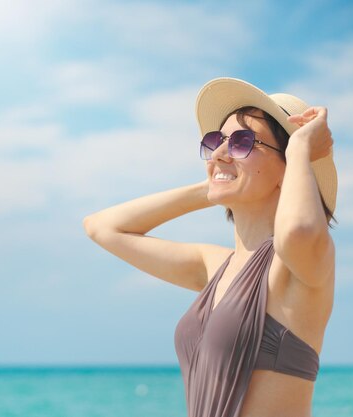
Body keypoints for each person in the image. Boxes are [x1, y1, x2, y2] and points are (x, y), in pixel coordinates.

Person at [83, 77, 338, 417]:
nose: (219, 152)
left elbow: (298, 230)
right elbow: (102, 227)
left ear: (288, 167)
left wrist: (301, 150)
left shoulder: (297, 262)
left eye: (243, 142)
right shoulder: (214, 265)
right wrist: (216, 181)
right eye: (217, 141)